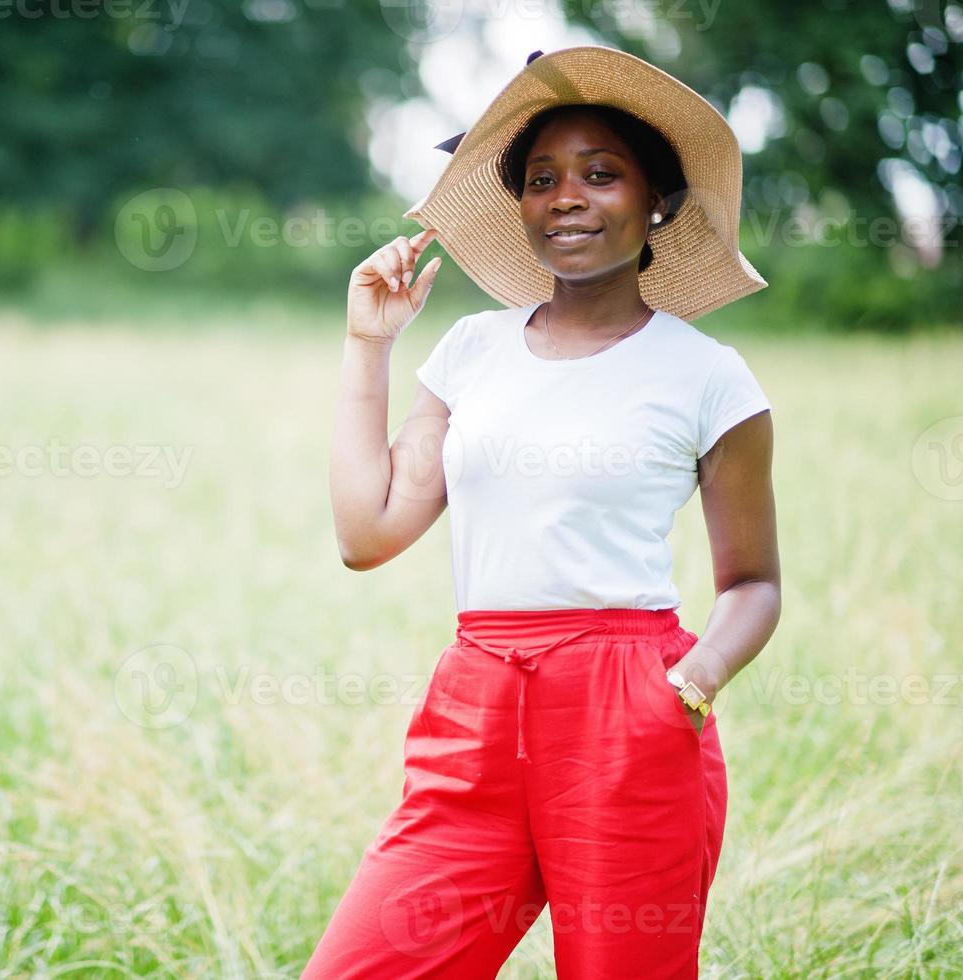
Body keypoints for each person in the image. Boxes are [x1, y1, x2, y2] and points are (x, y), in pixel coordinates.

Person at [315, 46, 782, 979]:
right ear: (519, 206)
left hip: (630, 713)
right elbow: (366, 537)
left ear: (656, 201)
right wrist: (368, 346)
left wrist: (686, 689)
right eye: (540, 179)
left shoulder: (706, 376)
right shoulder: (469, 351)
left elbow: (754, 583)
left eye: (600, 174)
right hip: (474, 703)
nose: (566, 196)